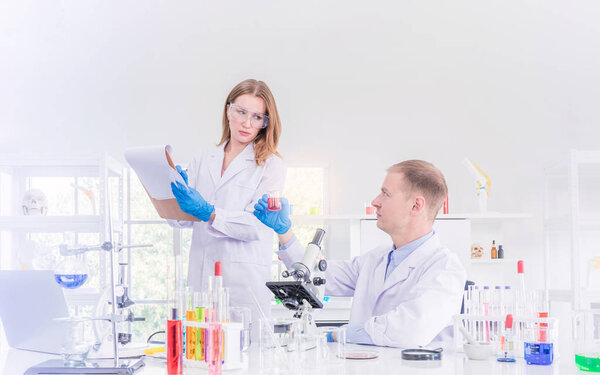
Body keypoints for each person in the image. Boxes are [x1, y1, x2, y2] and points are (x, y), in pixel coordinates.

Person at [253, 160, 467, 348]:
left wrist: (339, 334)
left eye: (386, 193)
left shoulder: (445, 268)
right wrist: (284, 232)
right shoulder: (376, 259)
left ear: (416, 205)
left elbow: (409, 329)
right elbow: (316, 277)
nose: (375, 201)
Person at [169, 79, 286, 331]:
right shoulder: (203, 158)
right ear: (228, 110)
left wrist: (208, 212)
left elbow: (257, 226)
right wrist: (171, 196)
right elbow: (181, 220)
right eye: (241, 112)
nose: (247, 123)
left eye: (257, 117)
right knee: (200, 360)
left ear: (266, 122)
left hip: (243, 286)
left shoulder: (271, 165)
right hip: (202, 282)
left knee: (246, 363)